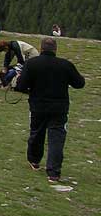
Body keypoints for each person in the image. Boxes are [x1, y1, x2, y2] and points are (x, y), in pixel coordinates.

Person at [15, 37, 85, 183]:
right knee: (56, 139)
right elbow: (79, 83)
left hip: (38, 106)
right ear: (55, 49)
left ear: (41, 49)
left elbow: (20, 86)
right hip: (59, 108)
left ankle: (34, 161)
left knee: (37, 133)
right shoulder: (65, 65)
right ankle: (54, 173)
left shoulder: (32, 64)